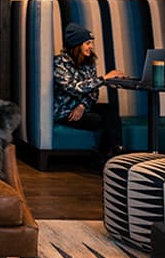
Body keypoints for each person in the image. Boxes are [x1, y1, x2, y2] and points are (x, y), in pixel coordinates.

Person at [53, 22, 125, 158]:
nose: (91, 47)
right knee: (101, 120)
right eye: (87, 43)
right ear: (76, 45)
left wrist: (82, 106)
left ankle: (116, 150)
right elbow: (74, 88)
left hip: (82, 108)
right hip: (66, 112)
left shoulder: (89, 62)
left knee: (110, 110)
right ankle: (107, 156)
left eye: (91, 43)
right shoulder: (59, 63)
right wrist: (103, 79)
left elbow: (93, 92)